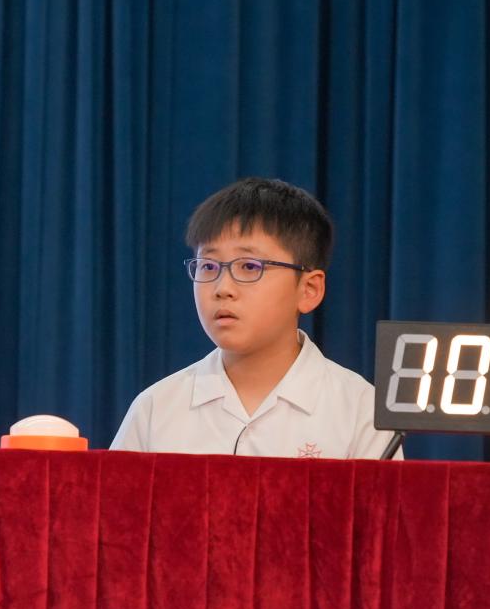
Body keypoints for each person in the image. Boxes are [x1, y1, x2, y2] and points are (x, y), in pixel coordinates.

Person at [111, 177, 394, 459]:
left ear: (309, 290)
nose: (222, 288)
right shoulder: (156, 408)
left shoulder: (360, 411)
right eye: (208, 266)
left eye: (249, 266)